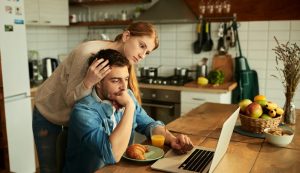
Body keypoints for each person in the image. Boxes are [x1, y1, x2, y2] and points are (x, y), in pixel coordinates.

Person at [32, 22, 159, 173]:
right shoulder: (88, 54)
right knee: (50, 170)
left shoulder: (119, 59)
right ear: (126, 36)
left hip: (74, 119)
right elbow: (72, 101)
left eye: (147, 52)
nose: (142, 55)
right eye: (141, 46)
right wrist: (88, 82)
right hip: (49, 112)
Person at [63, 49, 194, 173]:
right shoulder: (84, 111)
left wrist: (172, 140)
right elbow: (112, 154)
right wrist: (130, 107)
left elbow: (149, 125)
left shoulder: (127, 96)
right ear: (98, 82)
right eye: (115, 80)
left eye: (126, 79)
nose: (124, 87)